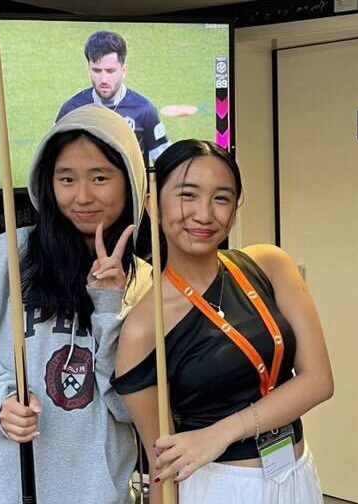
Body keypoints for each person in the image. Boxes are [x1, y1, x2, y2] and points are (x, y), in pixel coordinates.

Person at [0, 105, 150, 504]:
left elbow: (132, 408)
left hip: (95, 495)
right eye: (67, 179)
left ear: (129, 184)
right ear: (48, 183)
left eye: (100, 178)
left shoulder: (145, 284)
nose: (82, 196)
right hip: (1, 492)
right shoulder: (13, 255)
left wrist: (109, 307)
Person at [112, 140, 334, 503]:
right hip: (219, 487)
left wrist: (220, 433)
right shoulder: (144, 326)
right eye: (187, 195)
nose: (204, 214)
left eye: (221, 198)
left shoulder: (270, 264)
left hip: (296, 472)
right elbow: (162, 464)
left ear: (234, 209)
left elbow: (319, 381)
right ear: (153, 203)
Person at [56, 30, 170, 168]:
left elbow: (166, 163)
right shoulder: (72, 110)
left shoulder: (145, 110)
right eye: (97, 70)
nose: (103, 79)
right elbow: (53, 161)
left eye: (110, 71)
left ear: (124, 71)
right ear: (88, 69)